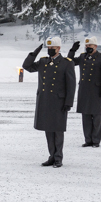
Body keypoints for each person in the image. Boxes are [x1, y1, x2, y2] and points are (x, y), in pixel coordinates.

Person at [22, 37, 76, 168]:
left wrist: (69, 102)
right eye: (49, 48)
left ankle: (58, 158)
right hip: (45, 100)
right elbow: (27, 66)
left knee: (57, 130)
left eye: (53, 48)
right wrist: (34, 53)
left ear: (59, 49)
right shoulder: (42, 61)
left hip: (59, 101)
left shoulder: (66, 63)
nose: (50, 50)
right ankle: (51, 156)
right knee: (48, 130)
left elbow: (71, 84)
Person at [68, 37, 101, 147]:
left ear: (95, 46)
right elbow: (69, 62)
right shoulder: (83, 57)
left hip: (96, 90)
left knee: (96, 116)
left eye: (90, 46)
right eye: (86, 46)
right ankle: (88, 140)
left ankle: (96, 140)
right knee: (85, 116)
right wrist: (72, 51)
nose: (88, 48)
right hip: (84, 90)